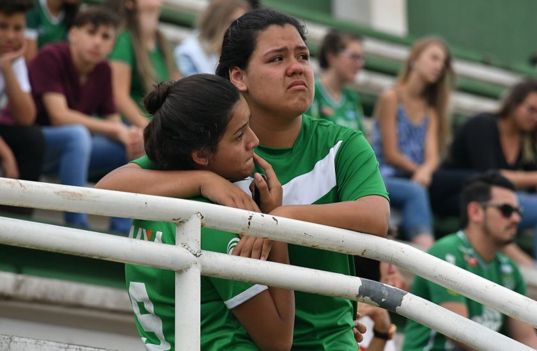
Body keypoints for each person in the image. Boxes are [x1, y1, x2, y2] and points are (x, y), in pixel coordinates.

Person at [97, 8, 390, 350]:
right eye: (277, 59)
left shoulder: (343, 144)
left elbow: (375, 217)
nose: (297, 67)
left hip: (328, 342)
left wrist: (278, 221)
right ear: (238, 76)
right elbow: (108, 190)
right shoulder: (211, 150)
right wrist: (204, 182)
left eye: (303, 56)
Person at [126, 74, 294, 350]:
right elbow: (278, 341)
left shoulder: (149, 198)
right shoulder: (212, 223)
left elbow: (107, 185)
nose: (254, 140)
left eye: (249, 125)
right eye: (239, 135)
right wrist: (276, 225)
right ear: (200, 155)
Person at [430, 80, 537, 272]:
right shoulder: (483, 124)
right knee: (505, 203)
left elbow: (533, 185)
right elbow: (489, 178)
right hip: (454, 197)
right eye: (531, 109)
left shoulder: (526, 139)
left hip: (488, 202)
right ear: (514, 104)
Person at [402, 172, 537, 351]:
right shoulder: (447, 251)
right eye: (506, 210)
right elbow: (461, 333)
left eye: (518, 212)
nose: (516, 218)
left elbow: (527, 336)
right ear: (476, 212)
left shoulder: (509, 269)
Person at [28, 6, 142, 232]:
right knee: (76, 134)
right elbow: (59, 116)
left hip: (75, 152)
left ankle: (122, 229)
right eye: (91, 32)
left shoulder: (103, 71)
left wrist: (129, 136)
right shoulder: (51, 56)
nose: (97, 42)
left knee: (128, 146)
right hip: (35, 146)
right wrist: (116, 128)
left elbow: (112, 121)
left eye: (105, 37)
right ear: (73, 34)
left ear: (112, 45)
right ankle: (77, 226)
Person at [372, 37, 454, 250]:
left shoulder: (430, 111)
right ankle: (428, 251)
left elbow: (433, 155)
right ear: (414, 60)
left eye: (443, 62)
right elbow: (390, 153)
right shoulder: (391, 97)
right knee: (416, 192)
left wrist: (425, 171)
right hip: (383, 176)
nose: (439, 66)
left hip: (413, 179)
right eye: (434, 58)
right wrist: (419, 171)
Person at [0, 0, 44, 216]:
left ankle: (19, 221)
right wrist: (6, 154)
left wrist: (7, 67)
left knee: (32, 137)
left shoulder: (12, 58)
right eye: (3, 26)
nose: (10, 36)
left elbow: (26, 117)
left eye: (17, 28)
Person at [106, 0, 180, 129]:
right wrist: (149, 130)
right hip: (132, 125)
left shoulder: (163, 42)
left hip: (161, 123)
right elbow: (119, 96)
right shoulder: (125, 40)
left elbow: (179, 87)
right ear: (129, 3)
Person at [307, 29, 366, 134]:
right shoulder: (312, 93)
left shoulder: (352, 98)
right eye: (354, 57)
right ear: (331, 57)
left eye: (361, 58)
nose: (359, 64)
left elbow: (363, 140)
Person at [174, 0, 249, 76]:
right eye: (233, 22)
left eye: (242, 24)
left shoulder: (241, 55)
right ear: (217, 21)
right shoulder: (188, 52)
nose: (238, 29)